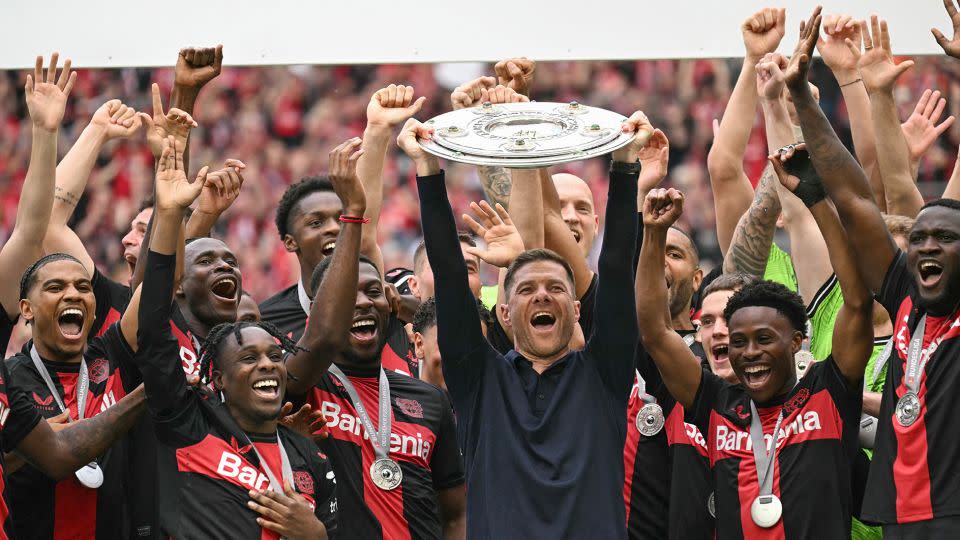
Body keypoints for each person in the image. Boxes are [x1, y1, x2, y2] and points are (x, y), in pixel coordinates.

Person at [638, 9, 872, 537]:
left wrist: (815, 200)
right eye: (738, 340)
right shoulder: (716, 402)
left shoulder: (829, 392)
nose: (746, 351)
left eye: (763, 338)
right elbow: (654, 331)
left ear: (798, 342)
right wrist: (651, 238)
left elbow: (856, 301)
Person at [405, 104, 647, 537]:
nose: (541, 295)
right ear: (503, 311)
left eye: (556, 288)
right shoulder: (478, 380)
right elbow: (447, 270)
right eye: (526, 289)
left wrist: (626, 165)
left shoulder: (605, 375)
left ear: (575, 310)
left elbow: (616, 268)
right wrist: (427, 168)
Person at [802, 9, 960, 536]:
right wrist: (804, 97)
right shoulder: (905, 300)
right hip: (897, 515)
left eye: (944, 238)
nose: (926, 247)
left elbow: (891, 182)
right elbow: (853, 195)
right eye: (918, 239)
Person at [136, 136, 338, 539]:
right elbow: (153, 324)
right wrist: (172, 213)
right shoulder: (189, 426)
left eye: (273, 355)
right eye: (248, 359)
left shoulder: (309, 455)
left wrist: (316, 536)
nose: (266, 364)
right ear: (219, 379)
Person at [282, 139, 467, 539]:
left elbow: (455, 515)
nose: (363, 303)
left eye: (373, 293)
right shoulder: (303, 386)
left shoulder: (430, 402)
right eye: (348, 296)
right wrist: (351, 214)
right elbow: (324, 338)